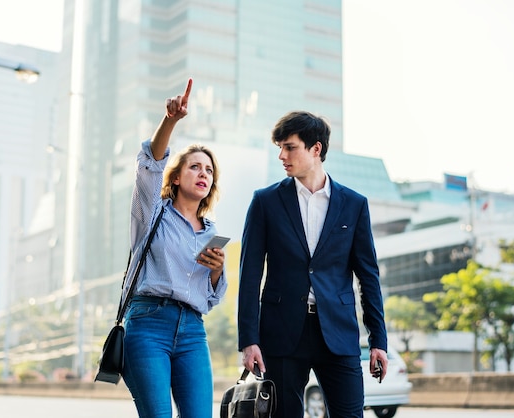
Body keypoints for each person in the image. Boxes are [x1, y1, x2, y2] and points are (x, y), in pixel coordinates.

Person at [237, 110, 389, 417]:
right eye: (279, 147)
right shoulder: (265, 202)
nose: (282, 155)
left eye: (290, 147)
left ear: (316, 149)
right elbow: (249, 275)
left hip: (338, 331)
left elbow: (368, 276)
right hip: (281, 333)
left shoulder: (354, 204)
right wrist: (249, 340)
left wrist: (378, 341)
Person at [121, 78, 228, 418]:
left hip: (193, 330)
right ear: (177, 177)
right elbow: (149, 164)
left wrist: (216, 271)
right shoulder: (152, 211)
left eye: (209, 170)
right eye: (194, 166)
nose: (203, 173)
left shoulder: (211, 233)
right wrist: (170, 120)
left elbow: (212, 298)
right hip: (148, 323)